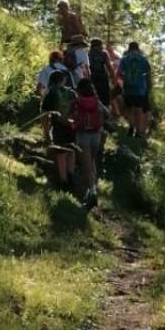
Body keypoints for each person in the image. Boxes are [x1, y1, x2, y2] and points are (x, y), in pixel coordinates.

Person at [41, 70, 78, 185]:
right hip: (72, 126)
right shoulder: (71, 93)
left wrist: (46, 132)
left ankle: (63, 180)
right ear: (63, 80)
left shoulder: (50, 94)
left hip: (58, 127)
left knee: (61, 154)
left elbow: (45, 115)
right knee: (71, 150)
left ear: (51, 81)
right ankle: (71, 175)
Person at [72, 76, 103, 206]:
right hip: (96, 135)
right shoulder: (96, 101)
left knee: (86, 166)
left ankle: (92, 193)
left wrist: (73, 123)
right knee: (92, 163)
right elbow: (107, 113)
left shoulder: (77, 101)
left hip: (83, 135)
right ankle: (93, 190)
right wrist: (100, 124)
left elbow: (72, 116)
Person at [119, 41, 152, 137]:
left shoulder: (124, 59)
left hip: (128, 87)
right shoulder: (143, 59)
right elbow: (148, 74)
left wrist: (126, 78)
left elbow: (120, 73)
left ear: (129, 48)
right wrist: (149, 86)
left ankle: (131, 126)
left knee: (128, 108)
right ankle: (138, 132)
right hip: (140, 88)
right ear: (138, 48)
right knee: (139, 110)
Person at [89, 37, 114, 109]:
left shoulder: (89, 54)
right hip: (103, 78)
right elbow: (109, 66)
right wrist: (113, 77)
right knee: (105, 98)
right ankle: (105, 114)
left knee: (96, 97)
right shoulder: (103, 53)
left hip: (93, 78)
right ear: (100, 45)